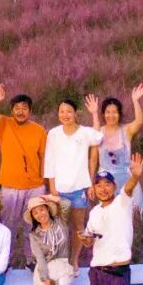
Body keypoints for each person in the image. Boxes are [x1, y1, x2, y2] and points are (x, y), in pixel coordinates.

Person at [80, 154, 143, 285]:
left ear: (115, 186)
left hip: (117, 274)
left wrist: (135, 176)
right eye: (98, 185)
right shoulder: (94, 212)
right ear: (94, 188)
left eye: (107, 184)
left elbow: (129, 188)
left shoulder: (122, 203)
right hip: (96, 274)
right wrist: (85, 239)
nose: (103, 189)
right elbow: (89, 241)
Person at [0, 84, 47, 265]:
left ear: (30, 111)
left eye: (24, 108)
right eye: (17, 108)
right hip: (10, 185)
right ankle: (5, 260)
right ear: (12, 110)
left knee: (34, 225)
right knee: (8, 225)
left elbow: (44, 157)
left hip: (35, 187)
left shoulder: (39, 130)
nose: (21, 112)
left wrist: (44, 182)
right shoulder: (5, 124)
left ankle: (32, 259)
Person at [42, 98, 103, 271]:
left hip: (78, 190)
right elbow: (50, 160)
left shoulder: (84, 132)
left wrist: (94, 113)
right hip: (59, 190)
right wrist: (52, 187)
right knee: (58, 228)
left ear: (75, 114)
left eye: (69, 111)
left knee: (78, 226)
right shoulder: (54, 133)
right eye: (62, 111)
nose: (65, 115)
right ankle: (59, 261)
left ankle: (74, 260)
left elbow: (97, 137)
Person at [87, 84, 143, 214]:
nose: (111, 115)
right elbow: (93, 160)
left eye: (114, 112)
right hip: (106, 185)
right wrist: (91, 183)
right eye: (108, 112)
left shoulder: (126, 130)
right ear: (103, 114)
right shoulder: (98, 132)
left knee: (132, 216)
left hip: (128, 181)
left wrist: (135, 101)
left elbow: (139, 121)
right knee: (109, 217)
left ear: (119, 114)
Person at [25, 194, 75, 285]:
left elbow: (66, 204)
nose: (40, 214)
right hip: (44, 269)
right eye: (35, 213)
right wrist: (45, 278)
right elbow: (40, 258)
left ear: (47, 209)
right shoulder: (34, 235)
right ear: (33, 217)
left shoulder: (61, 221)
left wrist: (51, 198)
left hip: (64, 267)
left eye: (42, 209)